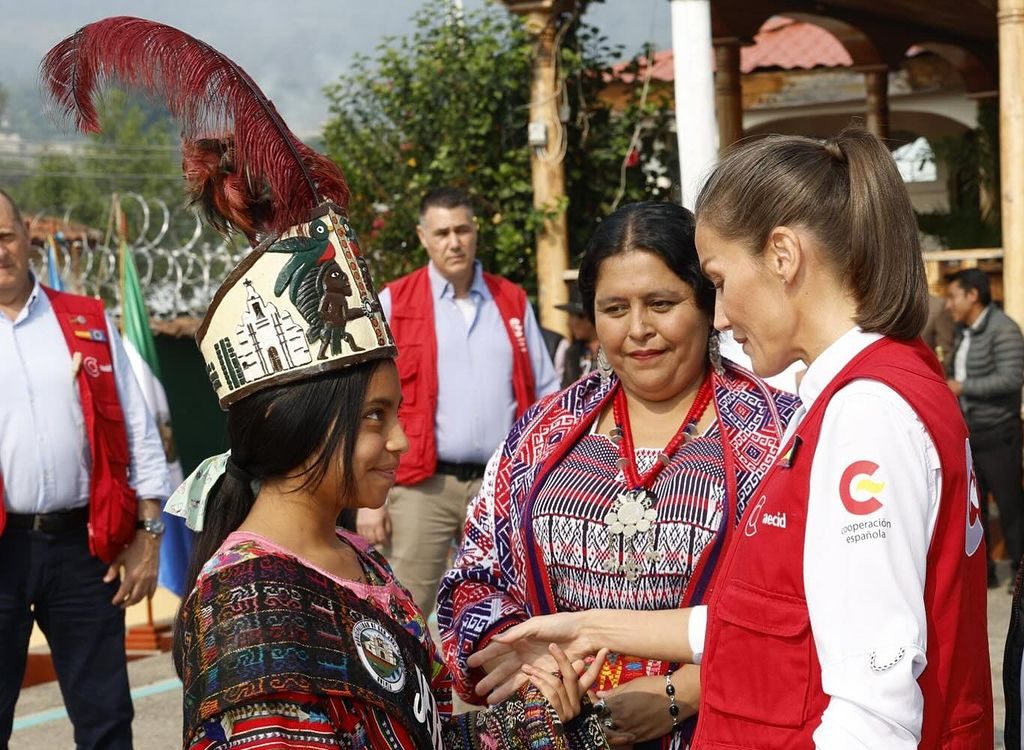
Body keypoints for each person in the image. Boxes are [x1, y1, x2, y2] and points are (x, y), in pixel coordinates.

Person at [41, 17, 611, 749]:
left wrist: (546, 715)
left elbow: (424, 735)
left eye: (395, 411)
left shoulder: (357, 558)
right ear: (300, 423)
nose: (400, 439)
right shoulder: (249, 609)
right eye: (374, 417)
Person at [472, 128, 994, 749]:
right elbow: (782, 618)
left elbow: (873, 707)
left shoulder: (865, 414)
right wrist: (594, 626)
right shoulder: (856, 395)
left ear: (782, 255)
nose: (719, 316)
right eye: (614, 309)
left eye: (716, 281)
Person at [437, 201, 799, 749]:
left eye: (661, 303)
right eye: (613, 308)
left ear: (707, 303)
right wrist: (528, 660)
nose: (638, 330)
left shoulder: (777, 437)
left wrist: (684, 694)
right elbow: (473, 576)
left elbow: (804, 611)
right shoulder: (543, 432)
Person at [0, 189, 169, 750]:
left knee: (105, 719)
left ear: (27, 236)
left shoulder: (84, 321)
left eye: (4, 235)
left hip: (83, 549)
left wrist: (148, 537)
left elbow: (139, 430)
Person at [357, 187, 559, 614]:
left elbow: (546, 393)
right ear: (422, 237)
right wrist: (366, 501)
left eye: (463, 229)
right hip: (420, 486)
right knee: (404, 608)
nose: (454, 241)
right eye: (443, 232)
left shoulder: (512, 300)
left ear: (476, 232)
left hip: (503, 486)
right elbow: (362, 404)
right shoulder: (394, 302)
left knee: (511, 604)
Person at [945, 268, 1024, 588]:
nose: (948, 305)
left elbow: (1011, 378)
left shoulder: (1004, 330)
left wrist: (963, 388)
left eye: (953, 296)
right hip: (969, 433)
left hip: (998, 433)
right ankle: (985, 574)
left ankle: (1019, 575)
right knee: (971, 509)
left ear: (972, 295)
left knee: (1010, 507)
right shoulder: (963, 331)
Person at [555, 283, 598, 388]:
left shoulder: (612, 351)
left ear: (587, 319)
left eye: (571, 317)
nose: (568, 323)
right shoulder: (572, 353)